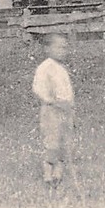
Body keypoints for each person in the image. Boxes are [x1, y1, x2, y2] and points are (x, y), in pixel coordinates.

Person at [32, 32, 75, 188]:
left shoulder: (62, 69)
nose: (62, 51)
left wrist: (68, 105)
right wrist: (49, 100)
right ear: (47, 49)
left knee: (65, 141)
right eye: (58, 47)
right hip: (51, 110)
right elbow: (38, 88)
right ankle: (48, 174)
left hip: (64, 110)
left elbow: (67, 91)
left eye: (64, 48)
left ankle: (59, 172)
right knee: (52, 141)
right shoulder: (45, 67)